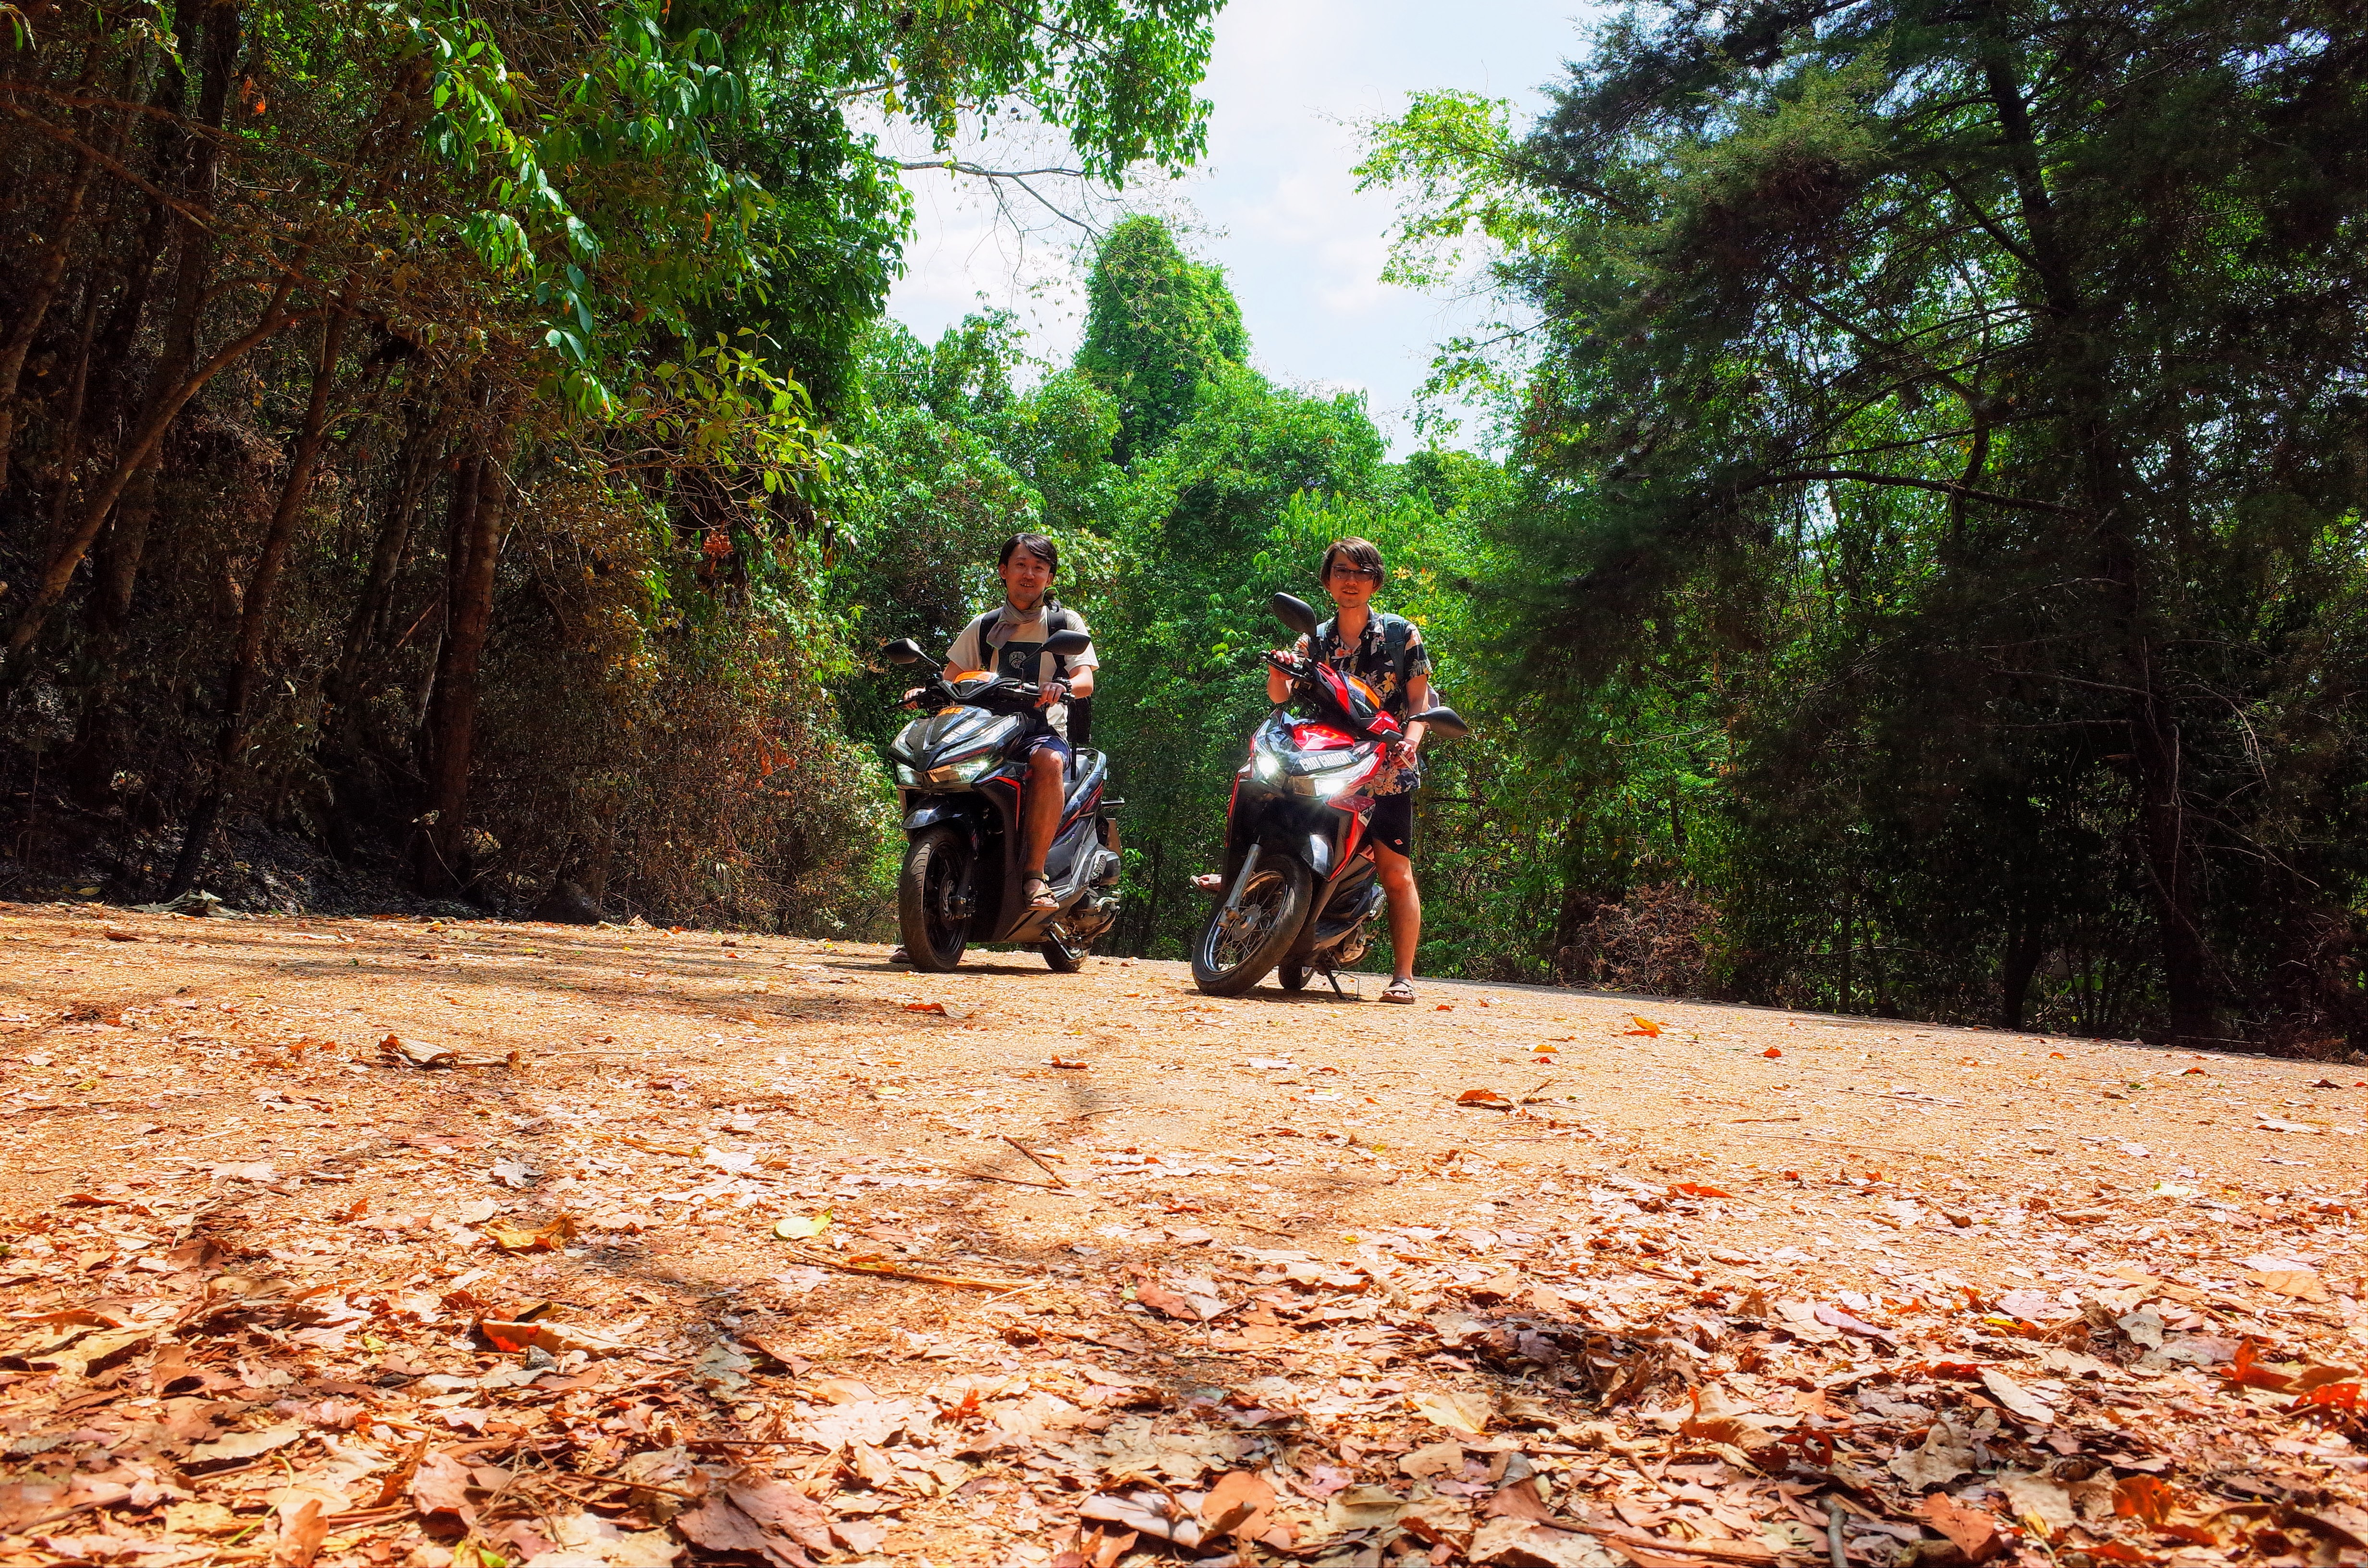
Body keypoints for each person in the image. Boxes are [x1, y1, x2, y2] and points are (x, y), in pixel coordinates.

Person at [1267, 536, 1433, 1003]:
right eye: (1341, 571)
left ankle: (1403, 976)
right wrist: (1281, 670)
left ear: (1375, 581)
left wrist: (1411, 744)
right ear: (1326, 580)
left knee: (1395, 871)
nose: (1350, 581)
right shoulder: (1313, 638)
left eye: (1360, 573)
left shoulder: (1401, 635)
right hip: (1318, 759)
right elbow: (1280, 697)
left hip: (1384, 766)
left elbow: (1420, 700)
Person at [942, 533, 1099, 912]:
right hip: (985, 729)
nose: (1029, 575)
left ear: (1050, 578)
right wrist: (926, 691)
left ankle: (1033, 876)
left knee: (1048, 762)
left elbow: (1086, 680)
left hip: (1042, 729)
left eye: (1039, 568)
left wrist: (1061, 686)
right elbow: (951, 678)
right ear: (1003, 571)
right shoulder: (983, 627)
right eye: (1021, 565)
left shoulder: (1065, 622)